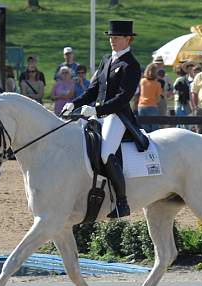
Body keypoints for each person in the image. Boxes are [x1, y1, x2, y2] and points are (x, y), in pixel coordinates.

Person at [62, 20, 146, 218]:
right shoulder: (107, 60)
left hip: (117, 116)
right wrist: (74, 103)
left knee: (106, 151)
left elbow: (123, 97)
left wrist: (98, 111)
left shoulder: (131, 65)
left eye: (116, 38)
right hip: (98, 114)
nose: (112, 41)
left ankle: (122, 202)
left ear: (128, 39)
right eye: (111, 37)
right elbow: (93, 90)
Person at [137, 63, 162, 132]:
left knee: (144, 129)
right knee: (154, 129)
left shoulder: (142, 81)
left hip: (141, 106)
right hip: (152, 106)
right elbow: (158, 99)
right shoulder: (157, 84)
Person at [173, 62, 192, 128]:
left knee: (183, 123)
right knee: (180, 123)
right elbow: (175, 89)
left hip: (185, 103)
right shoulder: (180, 79)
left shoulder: (186, 79)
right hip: (180, 104)